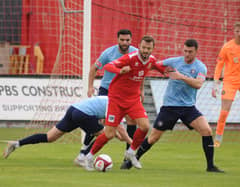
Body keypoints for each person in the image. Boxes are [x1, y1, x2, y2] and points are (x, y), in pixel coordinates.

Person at [121, 39, 224, 172]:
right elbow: (152, 65)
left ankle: (210, 166)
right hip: (170, 107)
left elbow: (198, 84)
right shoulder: (173, 61)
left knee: (207, 131)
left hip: (188, 108)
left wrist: (180, 76)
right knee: (153, 137)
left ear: (196, 52)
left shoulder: (200, 67)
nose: (187, 54)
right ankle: (131, 161)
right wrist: (137, 73)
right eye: (185, 51)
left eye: (190, 52)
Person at [83, 35, 166, 171]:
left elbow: (160, 68)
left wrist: (174, 73)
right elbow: (109, 66)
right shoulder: (130, 58)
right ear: (139, 46)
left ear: (152, 49)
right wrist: (120, 70)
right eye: (144, 47)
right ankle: (89, 156)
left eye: (148, 48)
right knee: (109, 134)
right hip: (116, 99)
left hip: (133, 99)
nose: (145, 51)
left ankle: (131, 152)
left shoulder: (151, 60)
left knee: (145, 126)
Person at [3, 96, 132, 163]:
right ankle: (83, 157)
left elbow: (118, 132)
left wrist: (120, 137)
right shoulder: (118, 107)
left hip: (73, 110)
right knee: (105, 135)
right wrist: (132, 143)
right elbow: (119, 131)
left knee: (50, 137)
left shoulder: (112, 101)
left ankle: (17, 144)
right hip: (83, 114)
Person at [77, 29, 138, 168]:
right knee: (100, 123)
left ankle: (128, 157)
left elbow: (141, 72)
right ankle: (83, 152)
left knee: (132, 121)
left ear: (131, 40)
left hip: (126, 92)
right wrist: (90, 87)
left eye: (127, 40)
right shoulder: (108, 53)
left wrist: (139, 90)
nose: (124, 42)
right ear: (117, 40)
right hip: (107, 90)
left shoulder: (136, 53)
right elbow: (94, 68)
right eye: (122, 40)